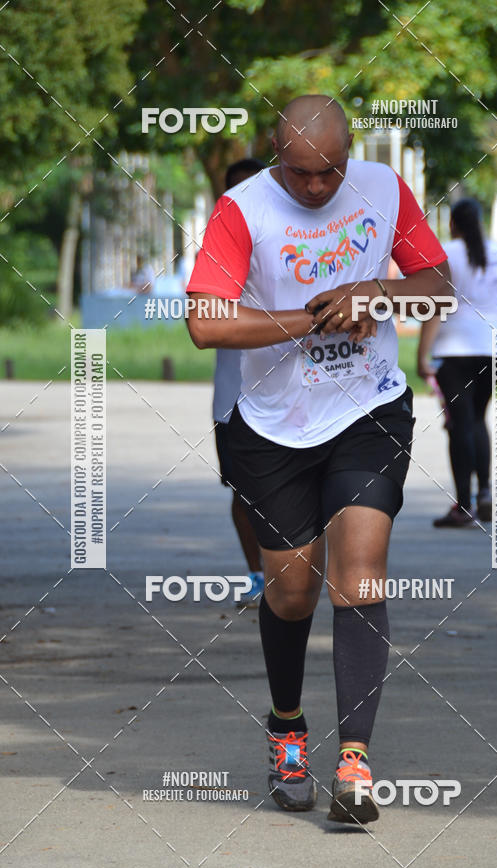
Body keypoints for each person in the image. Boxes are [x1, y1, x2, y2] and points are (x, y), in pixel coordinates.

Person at [186, 95, 452, 824]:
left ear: (349, 152)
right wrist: (310, 317)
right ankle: (287, 726)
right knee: (293, 593)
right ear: (278, 156)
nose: (315, 188)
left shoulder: (383, 188)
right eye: (300, 174)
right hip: (273, 429)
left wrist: (379, 291)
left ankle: (356, 763)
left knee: (360, 567)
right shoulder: (243, 210)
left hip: (367, 410)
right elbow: (203, 324)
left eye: (329, 172)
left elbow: (439, 288)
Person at [418, 198, 497, 526]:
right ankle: (485, 493)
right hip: (496, 347)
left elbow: (436, 306)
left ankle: (463, 505)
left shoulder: (444, 254)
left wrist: (423, 354)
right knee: (478, 420)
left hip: (455, 349)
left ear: (453, 224)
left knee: (459, 425)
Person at [212, 159, 267, 603]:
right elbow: (206, 321)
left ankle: (301, 574)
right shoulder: (217, 249)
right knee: (245, 494)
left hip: (304, 394)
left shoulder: (294, 241)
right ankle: (258, 577)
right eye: (236, 192)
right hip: (235, 401)